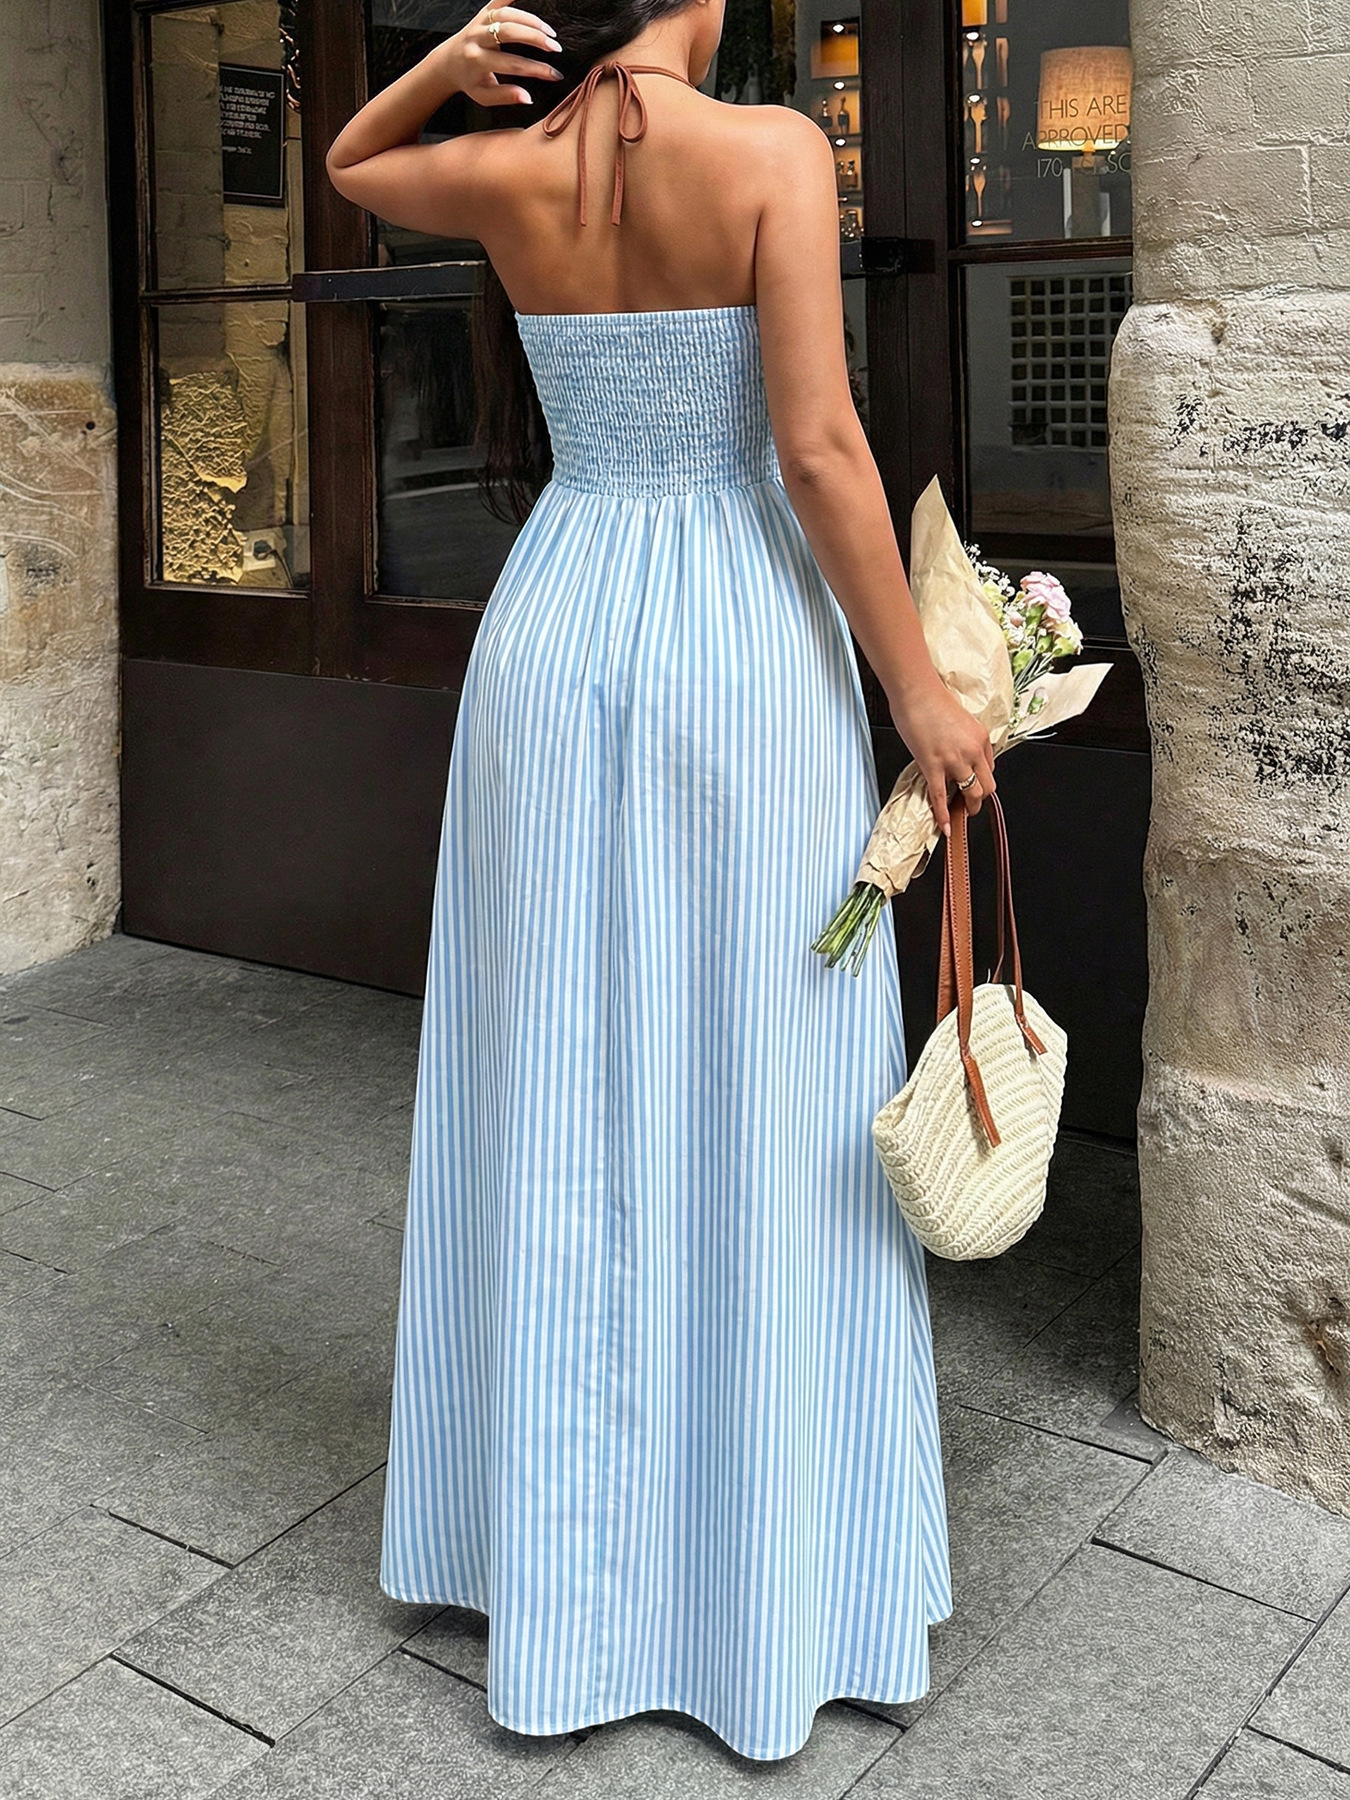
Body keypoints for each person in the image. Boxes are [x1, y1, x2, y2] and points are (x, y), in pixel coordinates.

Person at [325, 0, 993, 1764]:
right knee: (762, 1071)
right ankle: (762, 1568)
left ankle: (548, 1559)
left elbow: (351, 164)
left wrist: (444, 72)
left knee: (551, 1059)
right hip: (734, 647)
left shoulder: (509, 168)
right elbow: (817, 450)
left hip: (554, 632)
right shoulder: (768, 151)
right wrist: (919, 691)